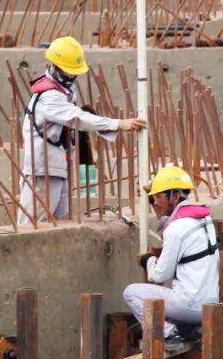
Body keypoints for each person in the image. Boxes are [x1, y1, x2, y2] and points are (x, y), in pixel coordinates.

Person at [19, 36, 145, 225]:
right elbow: (77, 118)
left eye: (74, 73)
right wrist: (117, 124)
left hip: (57, 167)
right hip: (43, 169)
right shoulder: (50, 97)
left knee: (59, 223)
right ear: (55, 67)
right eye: (68, 73)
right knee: (35, 224)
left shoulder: (63, 92)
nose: (71, 77)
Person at [123, 166, 220, 344]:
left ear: (174, 196)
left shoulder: (176, 228)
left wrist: (148, 260)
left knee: (131, 293)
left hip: (189, 306)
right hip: (210, 306)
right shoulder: (204, 219)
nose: (154, 202)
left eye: (158, 196)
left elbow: (159, 275)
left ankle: (167, 334)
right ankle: (190, 329)